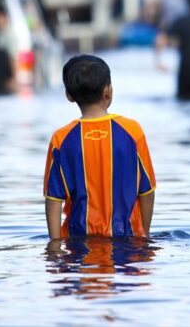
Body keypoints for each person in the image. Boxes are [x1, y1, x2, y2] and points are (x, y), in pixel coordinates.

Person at [44, 55, 156, 240]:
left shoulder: (61, 139)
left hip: (78, 241)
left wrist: (55, 245)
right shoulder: (132, 132)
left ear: (69, 95)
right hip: (127, 241)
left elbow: (53, 200)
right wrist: (144, 235)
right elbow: (147, 192)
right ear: (108, 91)